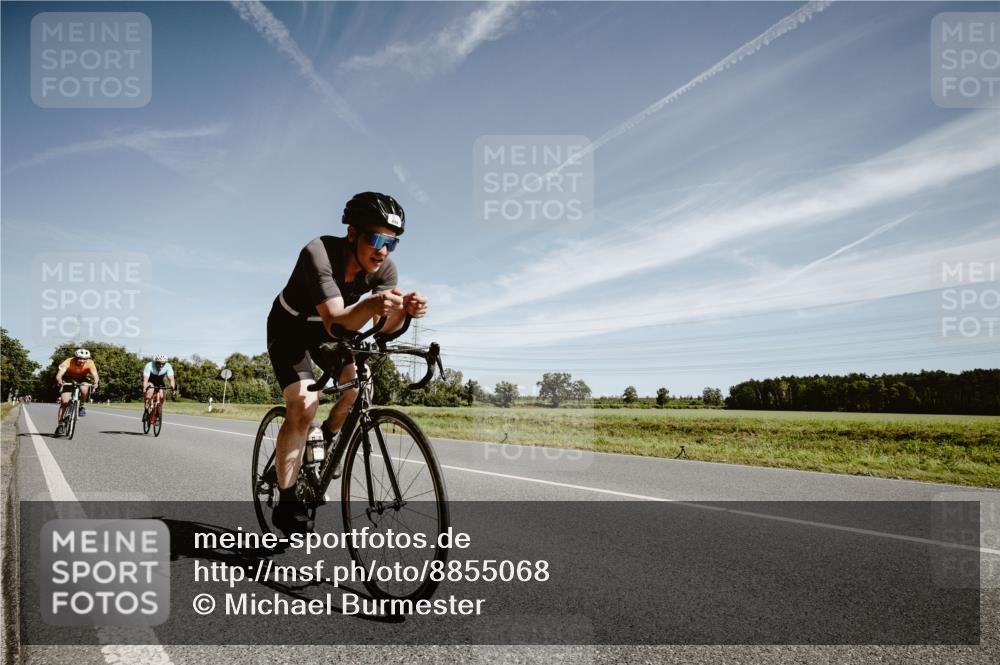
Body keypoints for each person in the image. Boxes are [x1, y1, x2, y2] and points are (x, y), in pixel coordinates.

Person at [267, 192, 428, 534]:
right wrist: (371, 306)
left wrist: (402, 313)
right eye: (375, 238)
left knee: (359, 386)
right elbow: (336, 321)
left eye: (392, 243)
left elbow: (382, 331)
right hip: (292, 329)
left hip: (332, 333)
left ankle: (326, 439)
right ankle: (287, 499)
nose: (382, 250)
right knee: (303, 404)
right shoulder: (319, 252)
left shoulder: (385, 270)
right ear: (352, 233)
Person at [54, 348, 99, 436]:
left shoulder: (90, 363)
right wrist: (59, 380)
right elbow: (59, 374)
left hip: (82, 379)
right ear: (75, 357)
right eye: (80, 358)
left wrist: (96, 382)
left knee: (84, 389)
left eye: (85, 359)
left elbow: (95, 375)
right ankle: (60, 425)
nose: (82, 361)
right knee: (64, 402)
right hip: (68, 379)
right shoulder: (68, 361)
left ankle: (81, 406)